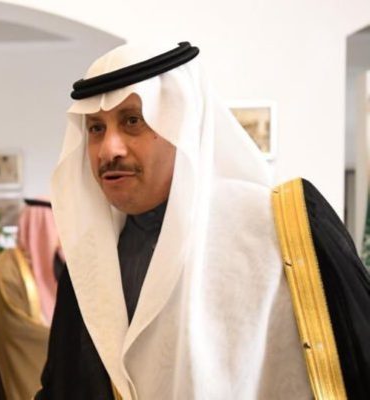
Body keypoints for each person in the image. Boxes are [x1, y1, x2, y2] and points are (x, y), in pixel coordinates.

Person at [36, 42, 370, 399]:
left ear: (182, 124)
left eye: (133, 121)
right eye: (96, 129)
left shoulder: (286, 225)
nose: (108, 149)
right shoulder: (90, 264)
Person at [0, 198, 65, 400]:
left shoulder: (60, 264)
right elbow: (15, 327)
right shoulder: (8, 268)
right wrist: (69, 341)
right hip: (24, 373)